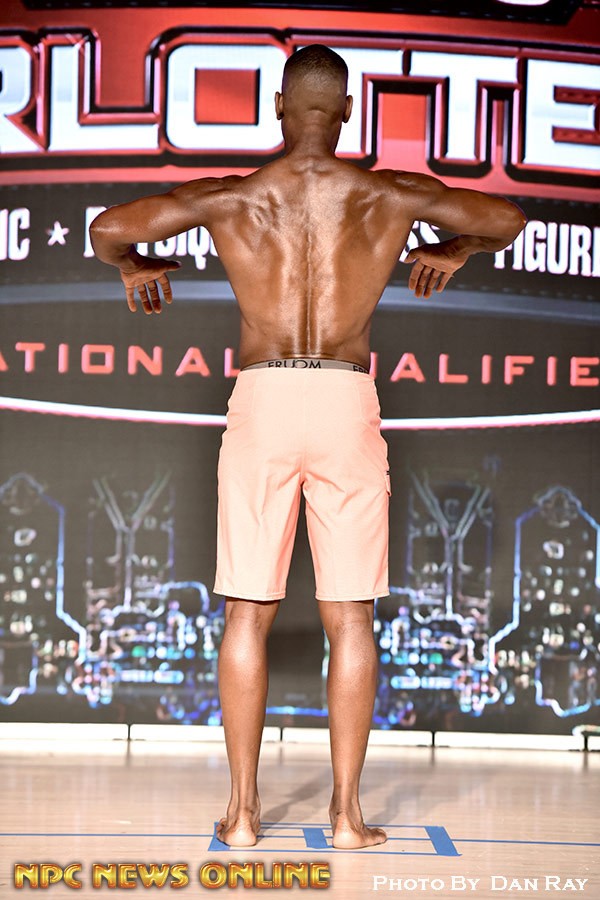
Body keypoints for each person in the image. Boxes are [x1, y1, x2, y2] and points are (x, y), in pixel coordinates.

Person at [90, 44, 526, 850]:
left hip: (263, 398)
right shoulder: (388, 195)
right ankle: (347, 818)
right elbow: (507, 220)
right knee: (350, 615)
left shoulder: (234, 196)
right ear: (348, 112)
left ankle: (243, 815)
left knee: (246, 611)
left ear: (280, 109)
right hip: (343, 398)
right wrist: (452, 249)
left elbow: (108, 229)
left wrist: (133, 267)